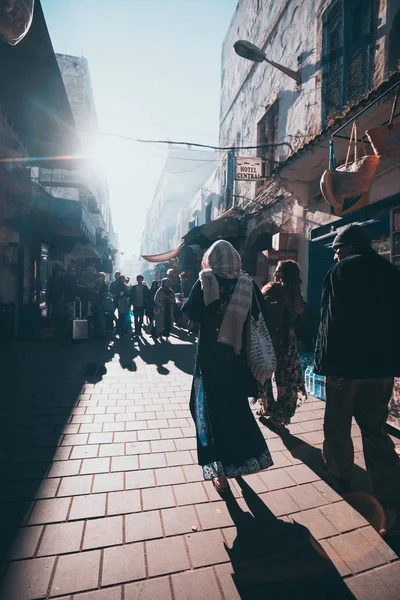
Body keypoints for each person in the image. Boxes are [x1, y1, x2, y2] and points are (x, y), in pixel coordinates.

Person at [314, 224, 400, 536]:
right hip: (380, 369)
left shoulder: (340, 274)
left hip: (346, 368)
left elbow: (330, 323)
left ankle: (340, 475)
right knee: (375, 430)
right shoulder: (391, 273)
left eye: (337, 250)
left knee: (337, 426)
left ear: (349, 247)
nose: (335, 255)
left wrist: (325, 364)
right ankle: (390, 499)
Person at [182, 240, 273, 493]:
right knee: (235, 410)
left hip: (210, 361)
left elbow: (190, 315)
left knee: (209, 412)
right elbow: (260, 316)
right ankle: (240, 461)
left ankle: (220, 473)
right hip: (237, 360)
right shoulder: (248, 284)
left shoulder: (205, 281)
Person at [258, 261, 306, 428]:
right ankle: (282, 416)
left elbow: (261, 312)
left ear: (283, 274)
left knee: (265, 375)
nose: (275, 274)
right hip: (288, 340)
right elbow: (299, 314)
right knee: (286, 379)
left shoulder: (273, 289)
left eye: (277, 271)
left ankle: (268, 408)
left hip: (270, 338)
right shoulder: (297, 293)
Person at [92, 272, 108, 338]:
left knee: (101, 318)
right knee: (97, 318)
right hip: (96, 302)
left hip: (101, 303)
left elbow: (104, 294)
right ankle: (98, 332)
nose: (99, 278)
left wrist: (97, 293)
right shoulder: (97, 284)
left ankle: (103, 333)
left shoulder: (104, 285)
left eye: (100, 277)